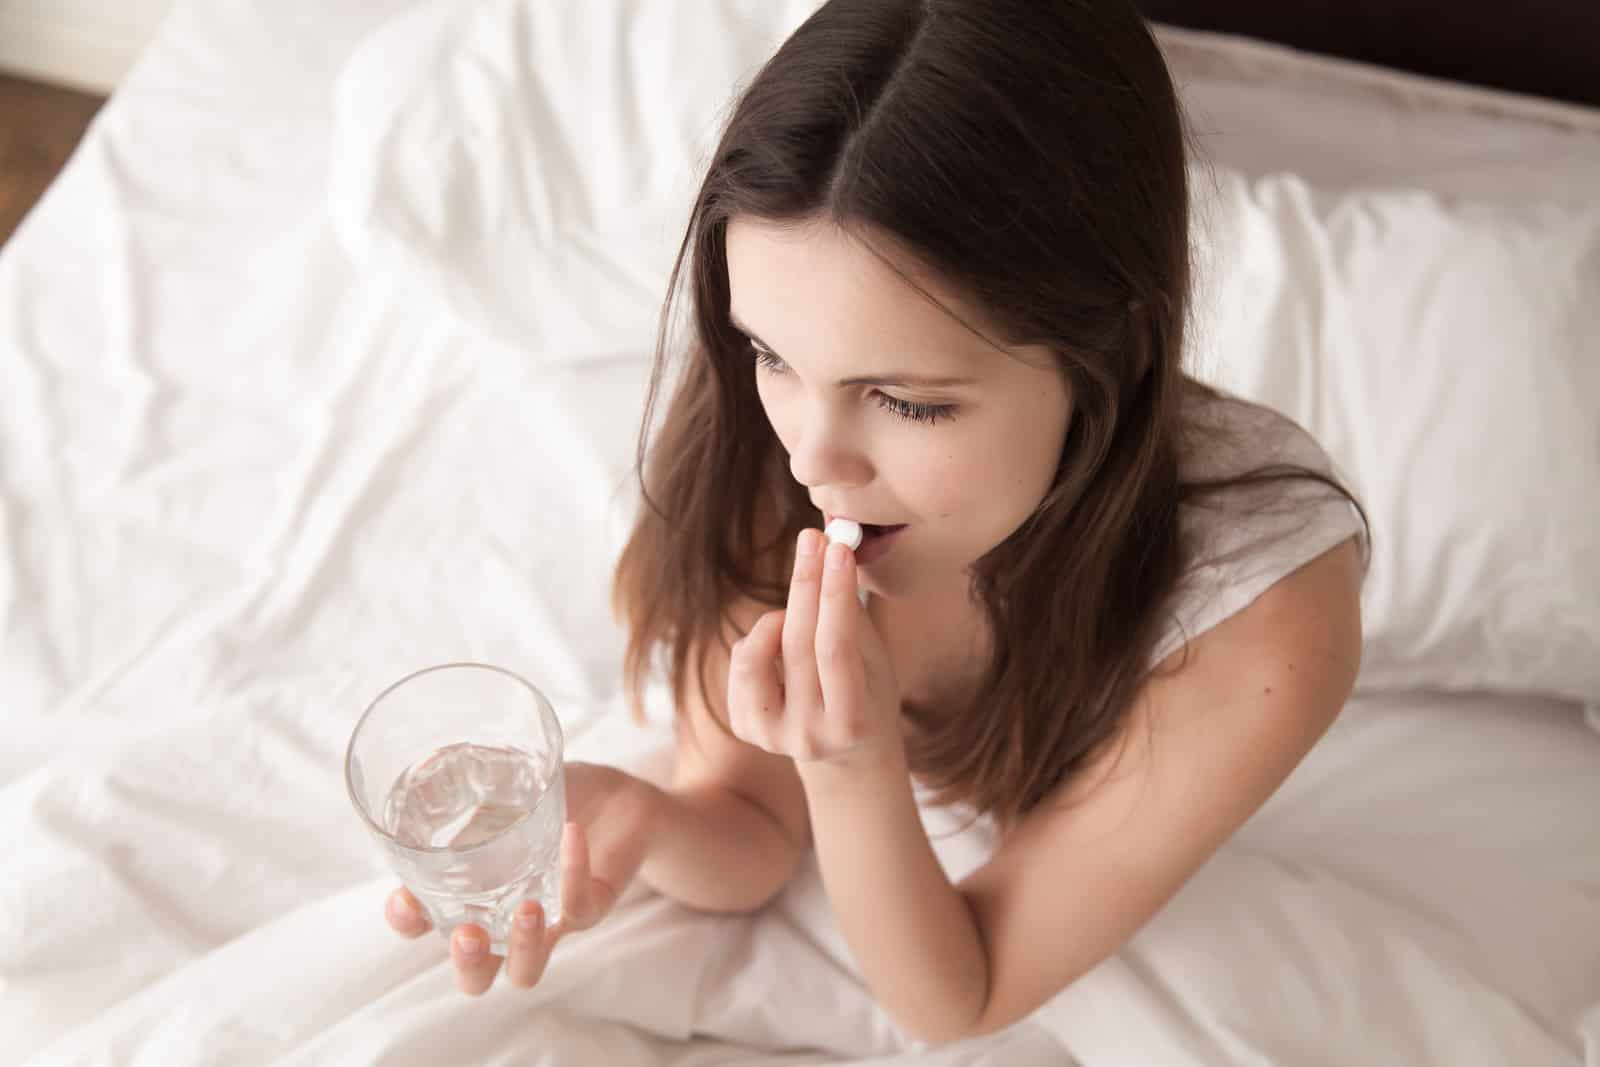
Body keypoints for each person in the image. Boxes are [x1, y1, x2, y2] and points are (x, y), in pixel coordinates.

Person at [384, 0, 1369, 1045]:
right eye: (769, 353)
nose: (812, 460)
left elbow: (955, 995)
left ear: (1112, 358)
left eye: (907, 400)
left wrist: (852, 767)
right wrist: (643, 816)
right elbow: (754, 818)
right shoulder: (781, 420)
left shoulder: (1266, 621)